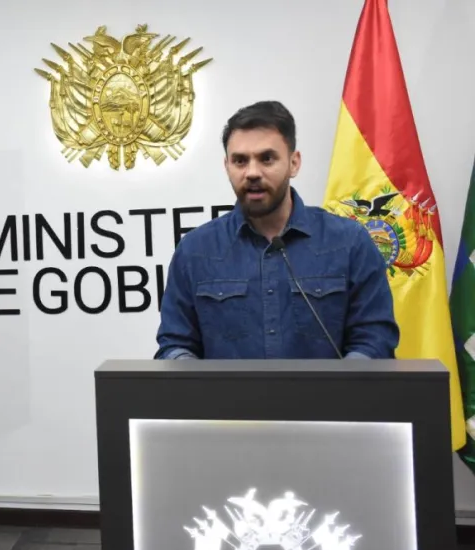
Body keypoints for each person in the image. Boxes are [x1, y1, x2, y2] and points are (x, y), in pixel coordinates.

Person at [155, 100, 399, 360]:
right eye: (240, 161)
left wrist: (341, 387)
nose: (252, 172)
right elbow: (175, 344)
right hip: (227, 402)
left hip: (328, 401)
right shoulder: (195, 251)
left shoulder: (350, 243)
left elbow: (375, 339)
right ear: (226, 166)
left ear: (294, 163)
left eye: (267, 159)